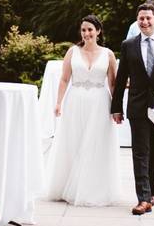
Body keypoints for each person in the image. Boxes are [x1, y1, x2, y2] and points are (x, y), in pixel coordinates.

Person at [45, 15, 121, 206]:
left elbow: (113, 83)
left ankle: (92, 188)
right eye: (83, 30)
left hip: (100, 103)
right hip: (75, 100)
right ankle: (68, 186)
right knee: (74, 141)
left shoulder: (108, 54)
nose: (86, 33)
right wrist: (58, 103)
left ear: (98, 31)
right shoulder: (73, 52)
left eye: (90, 30)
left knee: (95, 143)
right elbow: (64, 79)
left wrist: (117, 108)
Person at [111, 3, 154, 215]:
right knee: (140, 152)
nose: (144, 22)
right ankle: (143, 198)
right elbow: (121, 76)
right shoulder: (129, 44)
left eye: (148, 18)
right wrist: (116, 107)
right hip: (138, 105)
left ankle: (150, 193)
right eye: (141, 18)